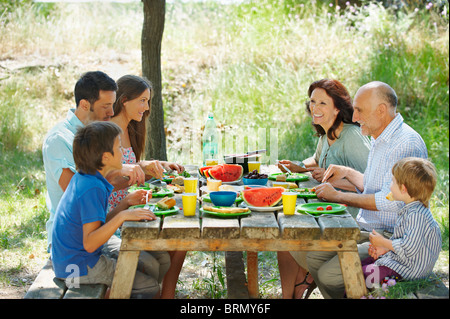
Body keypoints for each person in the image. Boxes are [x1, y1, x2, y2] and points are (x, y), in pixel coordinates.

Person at [306, 81, 428, 298]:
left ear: (381, 110)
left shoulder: (405, 144)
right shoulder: (380, 138)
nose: (353, 118)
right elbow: (376, 185)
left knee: (329, 275)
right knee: (313, 256)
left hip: (393, 239)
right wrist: (347, 172)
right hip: (368, 227)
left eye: (359, 110)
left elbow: (391, 200)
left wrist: (339, 196)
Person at [42, 71, 164, 252]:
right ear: (84, 105)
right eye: (106, 105)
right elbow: (77, 196)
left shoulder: (97, 133)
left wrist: (136, 172)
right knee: (151, 255)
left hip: (102, 224)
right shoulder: (60, 140)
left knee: (161, 250)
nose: (112, 112)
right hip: (76, 239)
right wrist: (122, 173)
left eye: (112, 104)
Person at [277, 79, 371, 299]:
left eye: (322, 103)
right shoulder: (327, 133)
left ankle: (302, 282)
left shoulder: (352, 136)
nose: (314, 108)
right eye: (312, 102)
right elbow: (316, 160)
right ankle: (292, 291)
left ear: (337, 108)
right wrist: (299, 167)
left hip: (350, 219)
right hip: (327, 211)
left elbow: (370, 182)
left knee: (289, 237)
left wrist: (332, 182)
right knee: (285, 233)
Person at [51, 121, 161, 298]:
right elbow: (90, 243)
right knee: (150, 286)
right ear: (105, 158)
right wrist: (123, 216)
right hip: (77, 267)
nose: (123, 151)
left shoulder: (92, 179)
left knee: (152, 265)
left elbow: (97, 227)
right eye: (119, 147)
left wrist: (125, 203)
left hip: (75, 259)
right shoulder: (91, 187)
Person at [109, 74, 186, 299]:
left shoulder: (129, 128)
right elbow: (105, 180)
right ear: (124, 100)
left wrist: (153, 165)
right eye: (142, 100)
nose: (147, 107)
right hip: (112, 214)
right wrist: (138, 174)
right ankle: (161, 293)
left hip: (129, 205)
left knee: (179, 237)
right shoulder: (108, 131)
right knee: (176, 239)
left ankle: (164, 293)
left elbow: (128, 166)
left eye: (148, 101)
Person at [362, 157, 441, 286]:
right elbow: (406, 241)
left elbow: (409, 248)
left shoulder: (417, 215)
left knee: (360, 276)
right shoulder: (411, 210)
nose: (390, 187)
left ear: (403, 188)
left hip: (407, 272)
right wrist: (385, 249)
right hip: (401, 263)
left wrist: (384, 242)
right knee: (360, 264)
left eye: (392, 182)